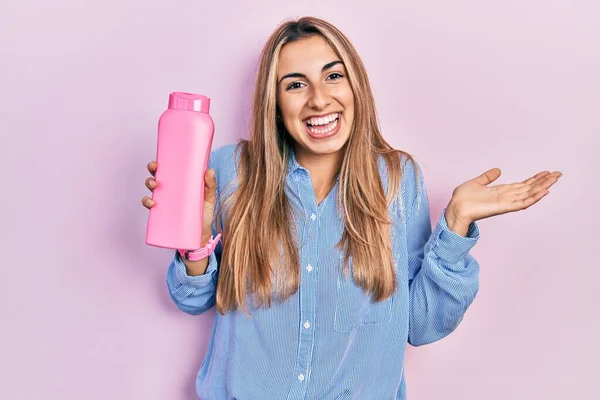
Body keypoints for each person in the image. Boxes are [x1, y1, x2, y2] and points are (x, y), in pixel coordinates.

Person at [142, 16, 562, 400]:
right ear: (274, 102)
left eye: (333, 76)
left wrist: (456, 225)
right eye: (295, 84)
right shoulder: (231, 170)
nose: (319, 100)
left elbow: (419, 324)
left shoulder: (398, 180)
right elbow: (192, 300)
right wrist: (193, 242)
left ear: (355, 85)